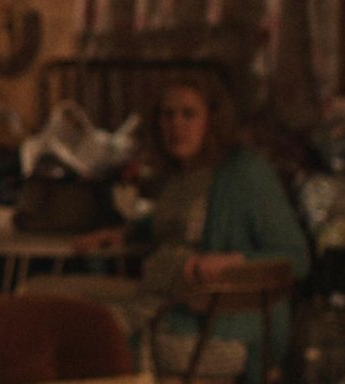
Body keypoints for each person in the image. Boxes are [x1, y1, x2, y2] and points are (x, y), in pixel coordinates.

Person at [69, 76, 311, 383]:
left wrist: (232, 262)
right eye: (167, 115)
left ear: (212, 120)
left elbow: (296, 258)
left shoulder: (244, 172)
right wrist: (124, 233)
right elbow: (171, 223)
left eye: (189, 114)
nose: (176, 125)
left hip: (215, 319)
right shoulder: (180, 173)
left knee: (91, 334)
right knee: (70, 315)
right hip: (158, 300)